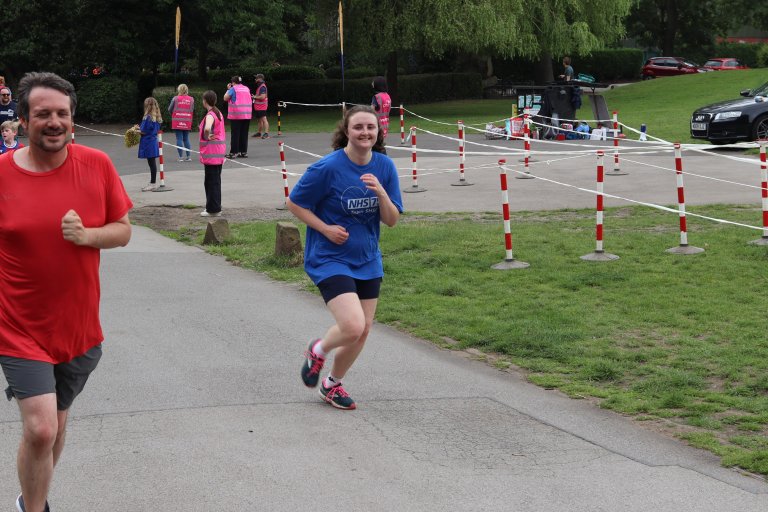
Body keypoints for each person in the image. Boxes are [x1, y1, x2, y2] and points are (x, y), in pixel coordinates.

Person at [0, 71, 132, 512]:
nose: (53, 122)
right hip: (17, 325)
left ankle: (30, 498)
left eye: (62, 114)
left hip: (77, 327)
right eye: (42, 114)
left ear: (73, 120)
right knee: (40, 429)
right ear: (22, 121)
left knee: (53, 428)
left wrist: (88, 236)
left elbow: (123, 231)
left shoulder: (96, 165)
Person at [288, 105, 403, 410]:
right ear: (346, 131)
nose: (365, 133)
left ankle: (331, 384)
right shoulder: (326, 168)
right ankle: (319, 350)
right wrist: (325, 229)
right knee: (352, 326)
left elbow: (391, 220)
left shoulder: (385, 167)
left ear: (378, 133)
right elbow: (295, 203)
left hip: (367, 257)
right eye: (359, 127)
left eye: (371, 128)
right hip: (329, 257)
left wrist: (380, 192)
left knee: (363, 330)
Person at [198, 90, 225, 217]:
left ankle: (213, 210)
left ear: (205, 101)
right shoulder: (218, 112)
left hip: (212, 153)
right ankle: (215, 206)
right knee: (215, 181)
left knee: (211, 182)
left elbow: (207, 128)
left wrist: (207, 136)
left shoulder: (210, 115)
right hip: (218, 152)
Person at [135, 97, 162, 191]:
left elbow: (143, 131)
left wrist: (135, 130)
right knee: (152, 163)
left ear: (147, 106)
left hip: (147, 142)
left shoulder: (147, 117)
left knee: (151, 163)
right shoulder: (157, 117)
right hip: (153, 141)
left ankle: (153, 183)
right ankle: (152, 182)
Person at [223, 76, 251, 158]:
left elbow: (225, 98)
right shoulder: (246, 88)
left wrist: (228, 89)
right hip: (247, 114)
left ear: (232, 82)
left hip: (236, 115)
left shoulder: (233, 89)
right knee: (244, 133)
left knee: (235, 134)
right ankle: (243, 152)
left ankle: (233, 152)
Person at [168, 83, 194, 162]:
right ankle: (188, 157)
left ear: (179, 90)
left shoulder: (175, 98)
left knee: (179, 138)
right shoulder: (191, 99)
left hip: (177, 120)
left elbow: (169, 109)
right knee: (186, 139)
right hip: (187, 121)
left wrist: (174, 114)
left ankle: (180, 157)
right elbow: (192, 110)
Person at [251, 74, 269, 139]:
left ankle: (266, 133)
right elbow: (260, 96)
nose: (255, 79)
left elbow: (262, 97)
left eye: (256, 78)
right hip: (258, 106)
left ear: (260, 79)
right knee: (259, 120)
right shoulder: (260, 86)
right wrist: (255, 96)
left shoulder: (262, 87)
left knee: (264, 119)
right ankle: (259, 133)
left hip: (262, 106)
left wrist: (254, 97)